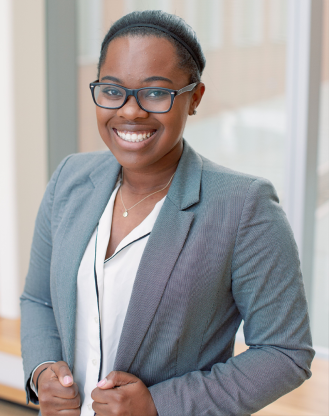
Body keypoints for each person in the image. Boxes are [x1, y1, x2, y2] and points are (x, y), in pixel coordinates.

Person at [20, 10, 313, 416]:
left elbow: (285, 352)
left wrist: (159, 404)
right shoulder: (70, 178)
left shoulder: (244, 206)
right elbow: (38, 300)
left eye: (156, 93)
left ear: (194, 98)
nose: (130, 111)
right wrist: (41, 373)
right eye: (112, 90)